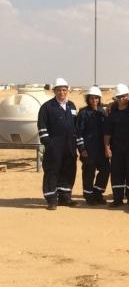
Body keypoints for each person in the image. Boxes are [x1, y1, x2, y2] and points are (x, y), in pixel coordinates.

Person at [37, 78, 78, 209]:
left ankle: (65, 197)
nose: (62, 92)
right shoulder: (47, 107)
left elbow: (75, 126)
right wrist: (49, 144)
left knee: (68, 170)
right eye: (59, 90)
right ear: (54, 91)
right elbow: (42, 127)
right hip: (54, 146)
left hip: (69, 146)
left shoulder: (71, 106)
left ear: (67, 91)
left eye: (64, 90)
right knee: (52, 171)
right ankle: (51, 199)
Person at [104, 84, 129, 207]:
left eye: (126, 96)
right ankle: (117, 199)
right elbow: (107, 133)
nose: (124, 98)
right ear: (116, 99)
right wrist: (107, 148)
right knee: (117, 173)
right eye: (120, 97)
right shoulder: (112, 113)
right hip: (117, 149)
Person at [76, 86, 109, 205]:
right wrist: (82, 149)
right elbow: (78, 132)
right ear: (88, 99)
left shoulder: (103, 112)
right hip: (88, 149)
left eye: (96, 98)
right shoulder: (83, 112)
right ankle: (89, 196)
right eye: (91, 98)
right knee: (89, 172)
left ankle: (98, 193)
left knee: (105, 170)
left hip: (101, 149)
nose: (94, 100)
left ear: (99, 99)